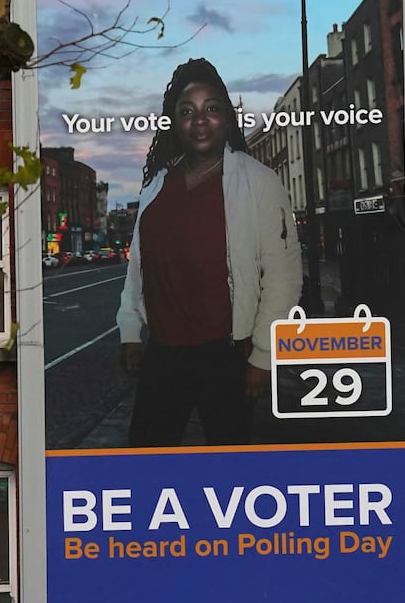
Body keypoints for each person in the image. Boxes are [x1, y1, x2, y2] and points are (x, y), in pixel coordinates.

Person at [116, 59, 300, 447]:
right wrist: (131, 329)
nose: (199, 120)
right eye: (187, 111)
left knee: (229, 472)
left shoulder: (258, 182)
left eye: (211, 109)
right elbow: (139, 267)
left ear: (227, 117)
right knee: (146, 466)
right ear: (174, 121)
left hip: (226, 357)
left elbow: (282, 276)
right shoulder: (156, 186)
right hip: (163, 356)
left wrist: (263, 355)